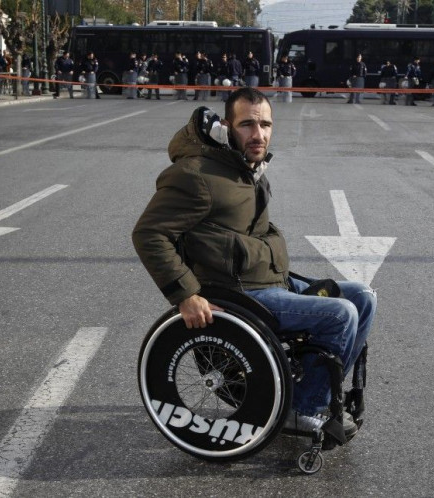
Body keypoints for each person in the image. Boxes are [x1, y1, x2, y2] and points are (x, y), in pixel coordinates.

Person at [132, 87, 377, 440]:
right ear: (226, 127)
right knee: (341, 314)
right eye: (247, 124)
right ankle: (301, 410)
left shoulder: (245, 167)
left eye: (265, 124)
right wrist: (186, 295)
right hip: (238, 293)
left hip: (271, 280)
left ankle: (314, 392)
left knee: (363, 297)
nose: (258, 134)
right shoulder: (196, 175)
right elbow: (148, 234)